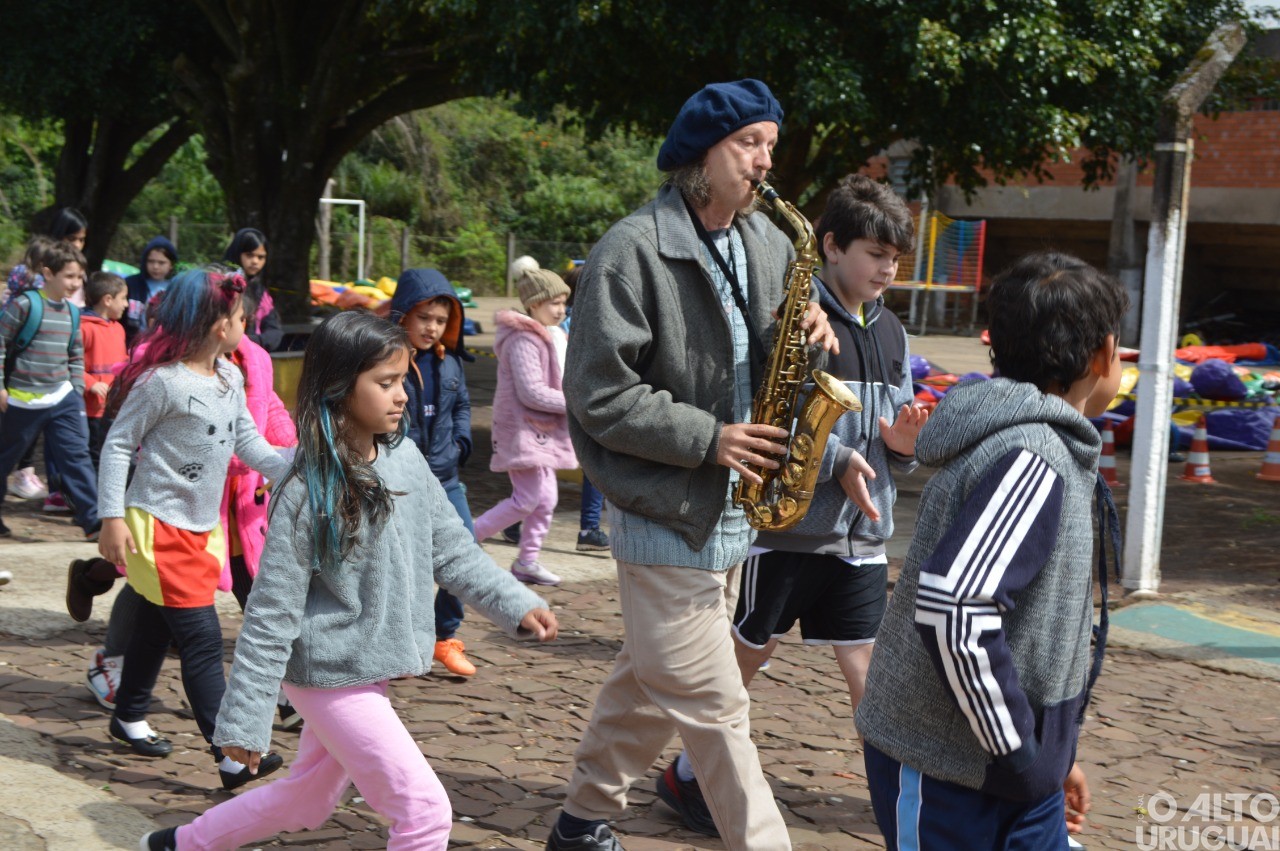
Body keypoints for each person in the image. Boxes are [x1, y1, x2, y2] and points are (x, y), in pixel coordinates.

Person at [139, 311, 560, 851]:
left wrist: (514, 603)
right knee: (426, 813)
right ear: (339, 388)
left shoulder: (405, 458)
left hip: (370, 666)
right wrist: (244, 721)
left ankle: (178, 844)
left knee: (306, 800)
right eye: (384, 383)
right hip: (327, 675)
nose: (401, 395)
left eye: (402, 380)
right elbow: (271, 613)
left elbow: (453, 551)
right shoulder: (305, 489)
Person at [549, 79, 837, 851]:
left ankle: (580, 820)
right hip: (661, 505)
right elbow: (598, 394)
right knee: (715, 705)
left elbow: (774, 361)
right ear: (697, 154)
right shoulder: (629, 250)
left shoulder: (772, 242)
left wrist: (808, 328)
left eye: (770, 145)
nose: (765, 162)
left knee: (649, 680)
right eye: (750, 144)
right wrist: (710, 437)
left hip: (732, 508)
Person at [664, 174, 924, 836]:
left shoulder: (893, 330)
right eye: (874, 252)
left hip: (862, 539)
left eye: (895, 257)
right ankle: (687, 774)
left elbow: (892, 430)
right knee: (747, 656)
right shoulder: (799, 318)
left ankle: (898, 800)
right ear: (830, 247)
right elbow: (767, 415)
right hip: (788, 531)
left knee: (866, 666)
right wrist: (836, 460)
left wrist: (901, 449)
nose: (886, 267)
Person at [855, 251, 1127, 849]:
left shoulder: (1046, 444)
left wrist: (1053, 757)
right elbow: (955, 606)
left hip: (1013, 773)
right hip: (951, 772)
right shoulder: (1034, 455)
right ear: (1101, 356)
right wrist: (1023, 753)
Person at [97, 267, 291, 791]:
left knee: (159, 628)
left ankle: (128, 714)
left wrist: (299, 469)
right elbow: (117, 446)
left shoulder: (230, 376)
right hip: (155, 527)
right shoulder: (162, 383)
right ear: (214, 324)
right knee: (203, 639)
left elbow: (249, 444)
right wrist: (110, 517)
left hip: (203, 530)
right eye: (239, 318)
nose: (245, 327)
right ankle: (230, 753)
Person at [389, 267, 481, 677]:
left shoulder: (451, 363)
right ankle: (394, 643)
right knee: (400, 566)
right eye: (424, 317)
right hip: (398, 484)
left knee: (465, 556)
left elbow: (461, 406)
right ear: (403, 316)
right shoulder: (384, 361)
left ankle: (445, 637)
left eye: (441, 321)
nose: (431, 328)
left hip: (446, 479)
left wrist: (461, 443)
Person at [471, 265, 576, 588]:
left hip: (541, 430)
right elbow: (532, 393)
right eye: (553, 303)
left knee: (546, 500)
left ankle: (527, 561)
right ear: (533, 304)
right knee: (528, 499)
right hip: (521, 429)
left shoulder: (554, 334)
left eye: (563, 303)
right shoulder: (522, 338)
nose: (560, 310)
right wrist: (576, 406)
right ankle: (465, 538)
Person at [500, 260, 610, 553]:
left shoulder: (565, 323)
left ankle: (521, 529)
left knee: (560, 469)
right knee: (570, 465)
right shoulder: (556, 328)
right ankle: (586, 527)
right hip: (563, 406)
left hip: (569, 402)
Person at [0, 241, 99, 540]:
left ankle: (94, 522)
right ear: (48, 273)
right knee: (4, 459)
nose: (75, 283)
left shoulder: (72, 311)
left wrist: (76, 389)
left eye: (79, 277)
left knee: (77, 457)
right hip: (21, 400)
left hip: (62, 397)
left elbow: (75, 353)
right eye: (69, 276)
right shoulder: (25, 305)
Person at [224, 227, 283, 351]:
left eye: (261, 257)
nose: (255, 261)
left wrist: (252, 343)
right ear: (237, 253)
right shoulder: (224, 285)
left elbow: (274, 331)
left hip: (253, 355)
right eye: (249, 255)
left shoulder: (260, 292)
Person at [123, 236, 178, 344]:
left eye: (161, 263)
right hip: (132, 344)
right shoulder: (131, 284)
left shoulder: (176, 287)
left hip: (164, 345)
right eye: (151, 261)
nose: (155, 267)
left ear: (171, 264)